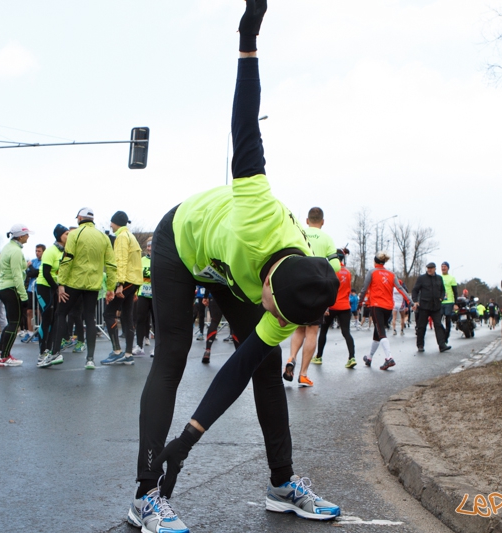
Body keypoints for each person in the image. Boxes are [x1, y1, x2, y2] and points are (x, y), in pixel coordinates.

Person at [127, 8, 342, 531]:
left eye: (278, 317)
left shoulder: (295, 291)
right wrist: (248, 43)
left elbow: (236, 368)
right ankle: (143, 496)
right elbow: (245, 119)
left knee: (266, 368)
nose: (269, 316)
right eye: (270, 307)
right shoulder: (257, 204)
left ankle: (282, 484)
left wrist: (189, 440)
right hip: (183, 241)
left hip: (227, 268)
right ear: (268, 284)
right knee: (172, 357)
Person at [44, 208, 116, 369]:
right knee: (90, 318)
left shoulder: (74, 234)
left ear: (80, 218)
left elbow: (67, 259)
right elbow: (111, 264)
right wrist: (110, 287)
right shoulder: (103, 237)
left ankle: (55, 353)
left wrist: (61, 283)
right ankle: (90, 359)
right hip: (93, 284)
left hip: (74, 282)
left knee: (61, 313)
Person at [283, 207, 339, 387]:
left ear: (306, 221)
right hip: (317, 288)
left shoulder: (298, 233)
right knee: (312, 331)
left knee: (299, 328)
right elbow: (336, 266)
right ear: (322, 222)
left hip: (297, 285)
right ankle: (303, 374)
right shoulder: (327, 238)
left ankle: (291, 358)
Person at [359, 251, 413, 369]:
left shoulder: (372, 272)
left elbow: (364, 289)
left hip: (376, 305)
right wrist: (409, 301)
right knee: (377, 333)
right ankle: (369, 358)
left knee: (381, 332)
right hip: (388, 307)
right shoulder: (391, 274)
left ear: (375, 262)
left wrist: (360, 303)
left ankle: (389, 358)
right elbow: (400, 288)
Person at [101, 211, 142, 365]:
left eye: (111, 223)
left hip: (126, 281)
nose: (110, 226)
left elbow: (121, 261)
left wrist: (119, 284)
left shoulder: (122, 237)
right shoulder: (132, 237)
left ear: (115, 222)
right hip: (134, 281)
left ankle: (117, 351)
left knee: (108, 314)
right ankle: (128, 354)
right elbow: (136, 263)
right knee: (127, 317)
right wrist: (135, 289)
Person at [0, 224, 31, 366]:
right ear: (20, 236)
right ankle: (5, 356)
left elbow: (12, 268)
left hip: (2, 287)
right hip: (11, 288)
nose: (28, 237)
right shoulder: (16, 251)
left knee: (10, 323)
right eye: (26, 234)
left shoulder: (7, 248)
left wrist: (25, 265)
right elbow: (17, 275)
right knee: (14, 323)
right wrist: (24, 296)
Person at [315, 250, 356, 368]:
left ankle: (318, 356)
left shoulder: (331, 271)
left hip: (332, 306)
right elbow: (348, 289)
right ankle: (352, 357)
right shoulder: (348, 273)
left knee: (323, 331)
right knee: (346, 332)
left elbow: (327, 290)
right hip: (345, 306)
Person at [36, 224, 68, 366]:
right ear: (59, 236)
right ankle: (42, 352)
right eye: (66, 234)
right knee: (47, 318)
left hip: (55, 288)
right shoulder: (50, 251)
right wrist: (56, 287)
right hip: (44, 287)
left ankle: (50, 350)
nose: (69, 236)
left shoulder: (65, 252)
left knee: (55, 319)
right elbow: (46, 273)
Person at [410, 262, 450, 354]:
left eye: (431, 268)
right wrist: (415, 301)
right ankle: (420, 345)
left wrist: (441, 297)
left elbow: (443, 290)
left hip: (436, 306)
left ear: (435, 269)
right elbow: (415, 290)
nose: (429, 270)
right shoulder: (422, 278)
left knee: (438, 325)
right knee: (421, 326)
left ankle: (442, 345)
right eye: (428, 268)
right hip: (424, 306)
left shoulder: (439, 278)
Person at [134, 238, 154, 355]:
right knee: (140, 319)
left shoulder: (160, 260)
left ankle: (157, 348)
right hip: (143, 294)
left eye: (151, 245)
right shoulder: (142, 260)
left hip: (156, 295)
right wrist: (135, 292)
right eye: (148, 245)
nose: (149, 248)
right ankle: (139, 346)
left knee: (156, 321)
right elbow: (137, 277)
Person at [440, 262, 458, 342]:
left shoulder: (451, 278)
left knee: (447, 320)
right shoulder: (438, 277)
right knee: (437, 320)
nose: (443, 268)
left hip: (449, 302)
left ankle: (446, 336)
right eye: (442, 267)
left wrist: (456, 303)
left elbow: (455, 292)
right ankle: (444, 332)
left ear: (448, 268)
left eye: (445, 267)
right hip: (440, 302)